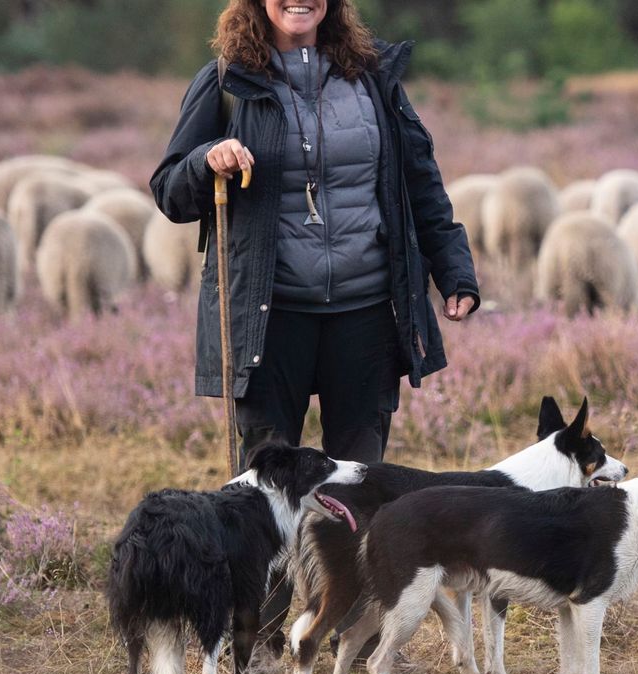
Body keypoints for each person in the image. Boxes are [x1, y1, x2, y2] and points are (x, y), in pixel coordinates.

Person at [151, 0, 479, 470]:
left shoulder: (373, 77)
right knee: (268, 483)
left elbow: (420, 181)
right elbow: (170, 193)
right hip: (270, 316)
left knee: (359, 484)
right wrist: (207, 159)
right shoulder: (227, 81)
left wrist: (455, 272)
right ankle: (280, 550)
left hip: (366, 309)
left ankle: (340, 549)